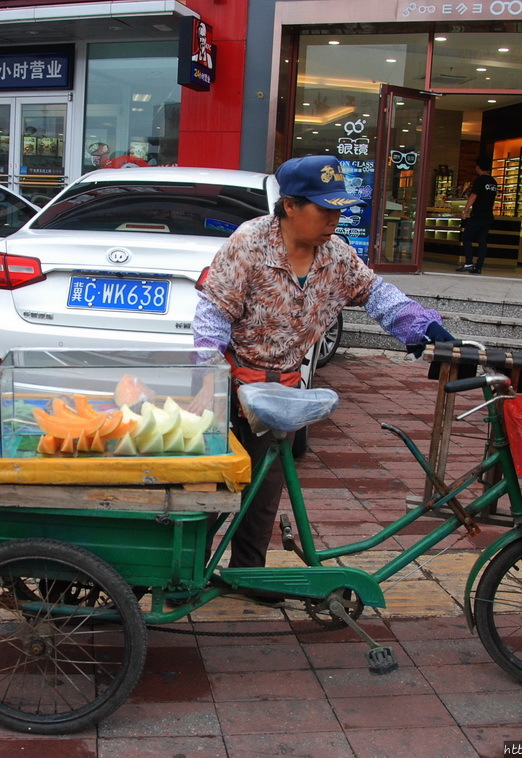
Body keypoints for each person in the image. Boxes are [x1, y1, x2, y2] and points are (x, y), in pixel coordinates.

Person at [193, 154, 454, 584]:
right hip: (233, 384)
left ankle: (248, 577)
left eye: (338, 210)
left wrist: (422, 327)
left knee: (264, 491)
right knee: (218, 488)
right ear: (290, 205)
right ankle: (185, 575)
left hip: (286, 388)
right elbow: (213, 315)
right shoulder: (250, 243)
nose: (334, 219)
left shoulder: (335, 256)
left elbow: (376, 293)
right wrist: (208, 380)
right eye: (324, 209)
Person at [457, 158, 498, 274]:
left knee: (466, 237)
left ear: (478, 167)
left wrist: (465, 211)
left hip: (478, 215)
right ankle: (478, 266)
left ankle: (469, 263)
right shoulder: (493, 182)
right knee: (482, 241)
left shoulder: (480, 180)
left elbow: (473, 196)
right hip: (488, 215)